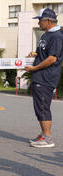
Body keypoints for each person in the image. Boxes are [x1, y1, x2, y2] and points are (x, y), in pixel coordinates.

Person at [25, 8, 62, 148]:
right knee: (39, 107)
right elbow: (46, 53)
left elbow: (52, 58)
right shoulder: (47, 34)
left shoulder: (56, 36)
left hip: (46, 78)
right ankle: (43, 134)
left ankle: (47, 138)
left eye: (40, 20)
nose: (39, 23)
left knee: (42, 107)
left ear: (47, 20)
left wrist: (34, 68)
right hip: (40, 77)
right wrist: (36, 54)